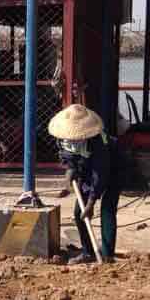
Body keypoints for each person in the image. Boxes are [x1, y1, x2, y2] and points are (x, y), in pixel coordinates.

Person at [49, 103, 119, 264]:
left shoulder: (98, 142)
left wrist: (91, 202)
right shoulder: (62, 140)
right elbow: (68, 160)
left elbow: (100, 174)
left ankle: (107, 254)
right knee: (78, 212)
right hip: (87, 171)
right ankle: (88, 251)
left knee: (107, 209)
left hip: (113, 169)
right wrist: (69, 175)